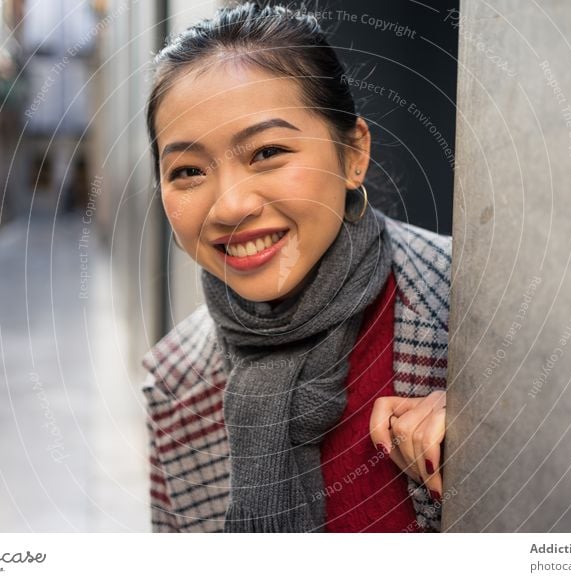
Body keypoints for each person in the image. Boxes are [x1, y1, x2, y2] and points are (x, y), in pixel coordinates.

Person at [141, 1, 450, 533]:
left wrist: (497, 436)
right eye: (188, 170)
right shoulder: (174, 382)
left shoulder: (463, 308)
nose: (231, 206)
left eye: (267, 153)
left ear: (352, 154)